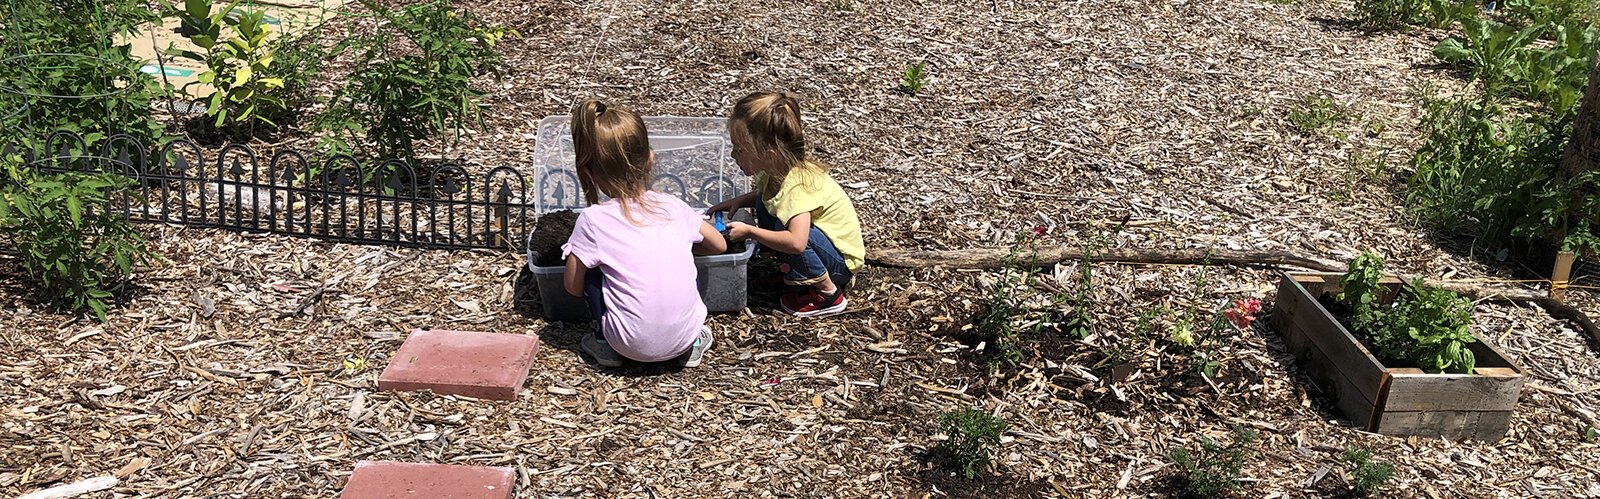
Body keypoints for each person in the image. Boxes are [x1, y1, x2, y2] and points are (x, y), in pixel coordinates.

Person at [562, 99, 727, 367]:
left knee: (591, 265)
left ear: (589, 173)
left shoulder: (594, 220)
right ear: (650, 159)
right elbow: (719, 245)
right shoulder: (673, 206)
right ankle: (695, 343)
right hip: (684, 339)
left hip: (626, 344)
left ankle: (603, 344)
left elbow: (572, 287)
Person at [707, 91, 864, 318]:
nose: (733, 155)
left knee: (793, 233)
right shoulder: (774, 171)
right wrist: (739, 200)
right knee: (764, 201)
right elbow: (766, 195)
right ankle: (791, 272)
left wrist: (750, 231)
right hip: (823, 249)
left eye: (740, 149)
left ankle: (828, 293)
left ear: (769, 155)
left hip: (840, 264)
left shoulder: (797, 187)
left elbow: (798, 243)